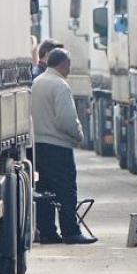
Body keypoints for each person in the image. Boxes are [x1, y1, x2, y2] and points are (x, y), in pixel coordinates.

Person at [31, 48, 96, 245]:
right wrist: (78, 135)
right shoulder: (60, 85)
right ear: (64, 64)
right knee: (66, 190)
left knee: (44, 192)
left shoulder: (36, 82)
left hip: (37, 145)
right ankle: (71, 231)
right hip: (57, 147)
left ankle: (48, 232)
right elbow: (66, 119)